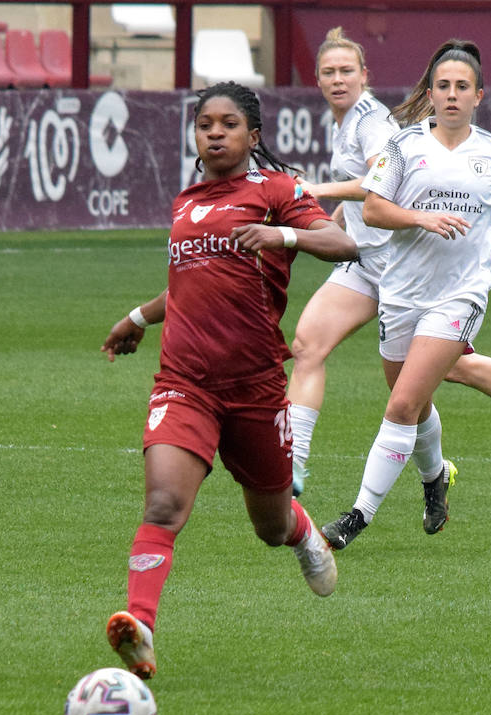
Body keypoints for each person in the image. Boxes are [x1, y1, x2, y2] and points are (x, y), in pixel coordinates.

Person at [98, 82, 357, 680]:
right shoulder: (186, 201)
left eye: (228, 124)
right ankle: (140, 628)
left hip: (257, 387)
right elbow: (190, 283)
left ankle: (302, 531)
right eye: (204, 124)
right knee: (163, 504)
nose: (214, 133)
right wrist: (138, 318)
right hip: (184, 379)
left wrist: (282, 235)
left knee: (270, 524)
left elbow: (342, 243)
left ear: (253, 136)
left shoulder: (276, 191)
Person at [289, 27, 491, 510]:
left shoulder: (372, 124)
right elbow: (360, 199)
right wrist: (324, 225)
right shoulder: (342, 123)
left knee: (446, 374)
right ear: (317, 81)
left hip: (405, 267)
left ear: (366, 75)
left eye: (347, 71)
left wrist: (316, 191)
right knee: (310, 345)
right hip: (367, 263)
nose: (338, 80)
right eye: (328, 72)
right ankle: (296, 463)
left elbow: (374, 188)